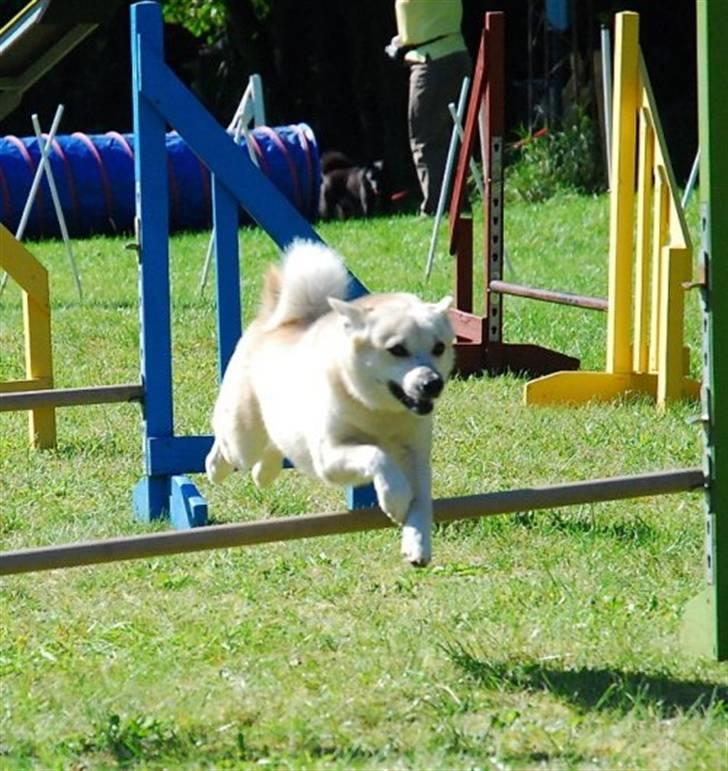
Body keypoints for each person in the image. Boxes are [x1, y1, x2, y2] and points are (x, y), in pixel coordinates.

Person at [388, 0, 471, 215]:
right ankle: (457, 203)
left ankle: (436, 207)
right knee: (449, 137)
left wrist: (402, 42)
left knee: (425, 139)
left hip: (431, 62)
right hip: (454, 52)